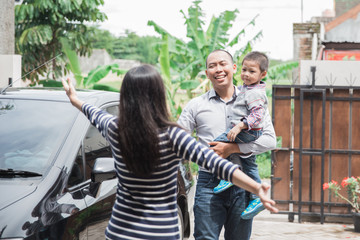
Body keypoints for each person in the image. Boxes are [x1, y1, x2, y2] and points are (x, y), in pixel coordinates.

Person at [62, 64, 278, 240]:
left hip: (120, 231)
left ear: (125, 95)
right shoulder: (174, 136)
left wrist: (75, 99)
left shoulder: (115, 128)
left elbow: (93, 113)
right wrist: (256, 187)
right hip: (161, 232)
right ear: (158, 95)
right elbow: (218, 164)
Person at [177, 50, 276, 240]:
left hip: (243, 183)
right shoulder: (196, 105)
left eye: (223, 64)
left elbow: (270, 140)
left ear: (233, 68)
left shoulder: (253, 98)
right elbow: (179, 143)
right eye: (212, 66)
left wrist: (232, 149)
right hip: (209, 183)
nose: (218, 69)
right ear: (207, 73)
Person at [211, 51, 270, 220]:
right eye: (244, 70)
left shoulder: (255, 93)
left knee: (217, 144)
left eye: (252, 71)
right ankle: (256, 198)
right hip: (248, 130)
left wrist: (240, 125)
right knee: (249, 164)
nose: (246, 74)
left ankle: (229, 174)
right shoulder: (248, 88)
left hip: (247, 131)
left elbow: (257, 114)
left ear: (263, 74)